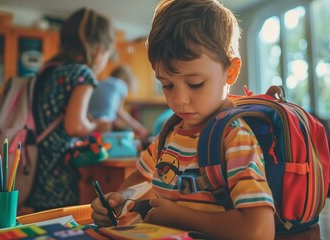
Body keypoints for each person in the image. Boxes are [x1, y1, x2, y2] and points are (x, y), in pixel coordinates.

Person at [91, 0, 275, 239]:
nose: (179, 101)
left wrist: (178, 215)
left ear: (230, 71)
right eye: (167, 85)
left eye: (195, 84)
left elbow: (259, 231)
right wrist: (121, 198)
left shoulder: (233, 138)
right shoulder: (171, 133)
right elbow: (142, 177)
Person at [25, 7, 115, 212]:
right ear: (99, 50)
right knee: (61, 223)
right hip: (58, 171)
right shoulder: (82, 73)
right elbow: (74, 126)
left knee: (42, 224)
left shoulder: (49, 69)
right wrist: (96, 124)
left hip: (35, 164)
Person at [89, 64, 148, 139]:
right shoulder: (121, 85)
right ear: (127, 78)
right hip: (104, 125)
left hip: (89, 122)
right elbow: (120, 112)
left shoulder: (100, 82)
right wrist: (139, 127)